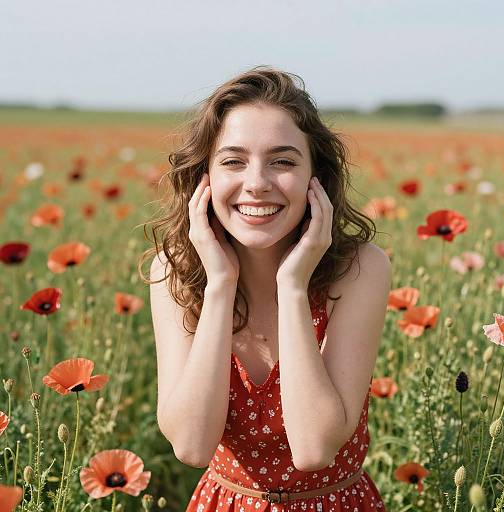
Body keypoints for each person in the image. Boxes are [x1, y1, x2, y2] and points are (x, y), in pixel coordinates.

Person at [142, 66, 391, 511]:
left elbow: (314, 449)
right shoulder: (176, 271)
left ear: (317, 178)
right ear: (205, 179)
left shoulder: (359, 268)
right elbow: (192, 446)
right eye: (233, 161)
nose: (257, 183)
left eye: (283, 161)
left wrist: (293, 287)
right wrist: (220, 284)